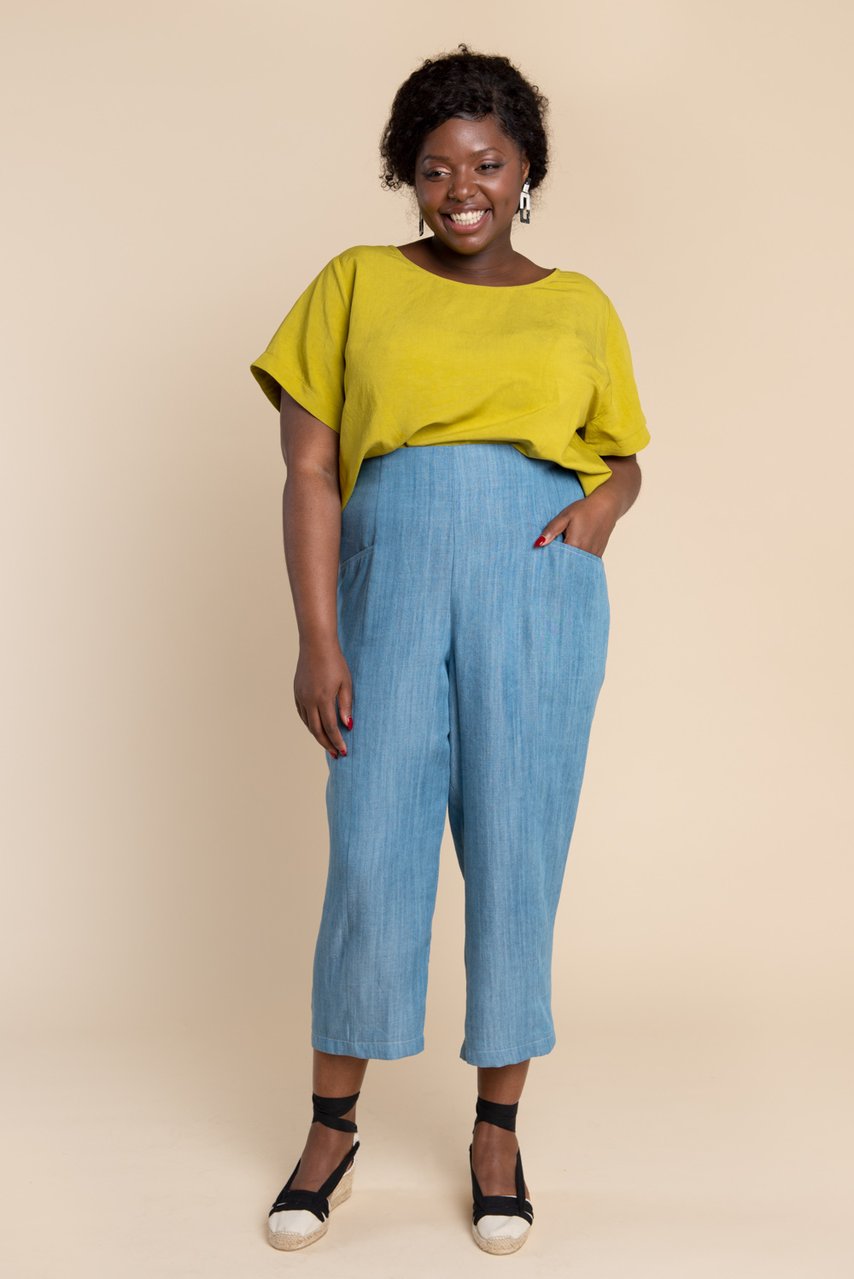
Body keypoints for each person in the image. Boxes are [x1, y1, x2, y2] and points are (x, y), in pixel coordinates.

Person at [249, 43, 651, 1256]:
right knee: (371, 852)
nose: (459, 188)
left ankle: (495, 1135)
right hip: (391, 585)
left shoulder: (578, 304)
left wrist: (600, 511)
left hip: (535, 590)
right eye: (433, 168)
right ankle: (331, 1133)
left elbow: (620, 454)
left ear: (525, 169)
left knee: (518, 853)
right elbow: (308, 468)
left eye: (485, 163)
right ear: (406, 176)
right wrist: (318, 636)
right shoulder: (354, 282)